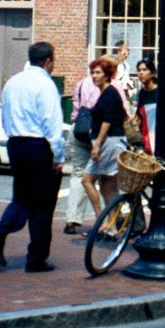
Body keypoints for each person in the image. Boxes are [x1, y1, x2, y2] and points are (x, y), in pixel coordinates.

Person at [0, 41, 64, 272]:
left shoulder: (13, 82)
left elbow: (4, 115)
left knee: (22, 198)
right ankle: (36, 258)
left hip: (16, 143)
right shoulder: (46, 85)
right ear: (48, 61)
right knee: (43, 204)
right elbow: (52, 123)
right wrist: (58, 156)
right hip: (38, 145)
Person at [80, 56, 128, 221]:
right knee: (108, 185)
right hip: (114, 140)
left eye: (98, 73)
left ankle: (101, 220)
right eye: (92, 73)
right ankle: (111, 224)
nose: (94, 76)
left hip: (109, 141)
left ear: (107, 75)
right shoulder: (107, 92)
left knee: (87, 180)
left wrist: (97, 145)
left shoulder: (109, 94)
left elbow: (107, 121)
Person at [63, 61, 101, 235]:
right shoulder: (110, 86)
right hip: (97, 133)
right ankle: (113, 217)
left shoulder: (81, 84)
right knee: (109, 177)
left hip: (78, 129)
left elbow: (76, 106)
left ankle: (72, 219)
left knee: (79, 173)